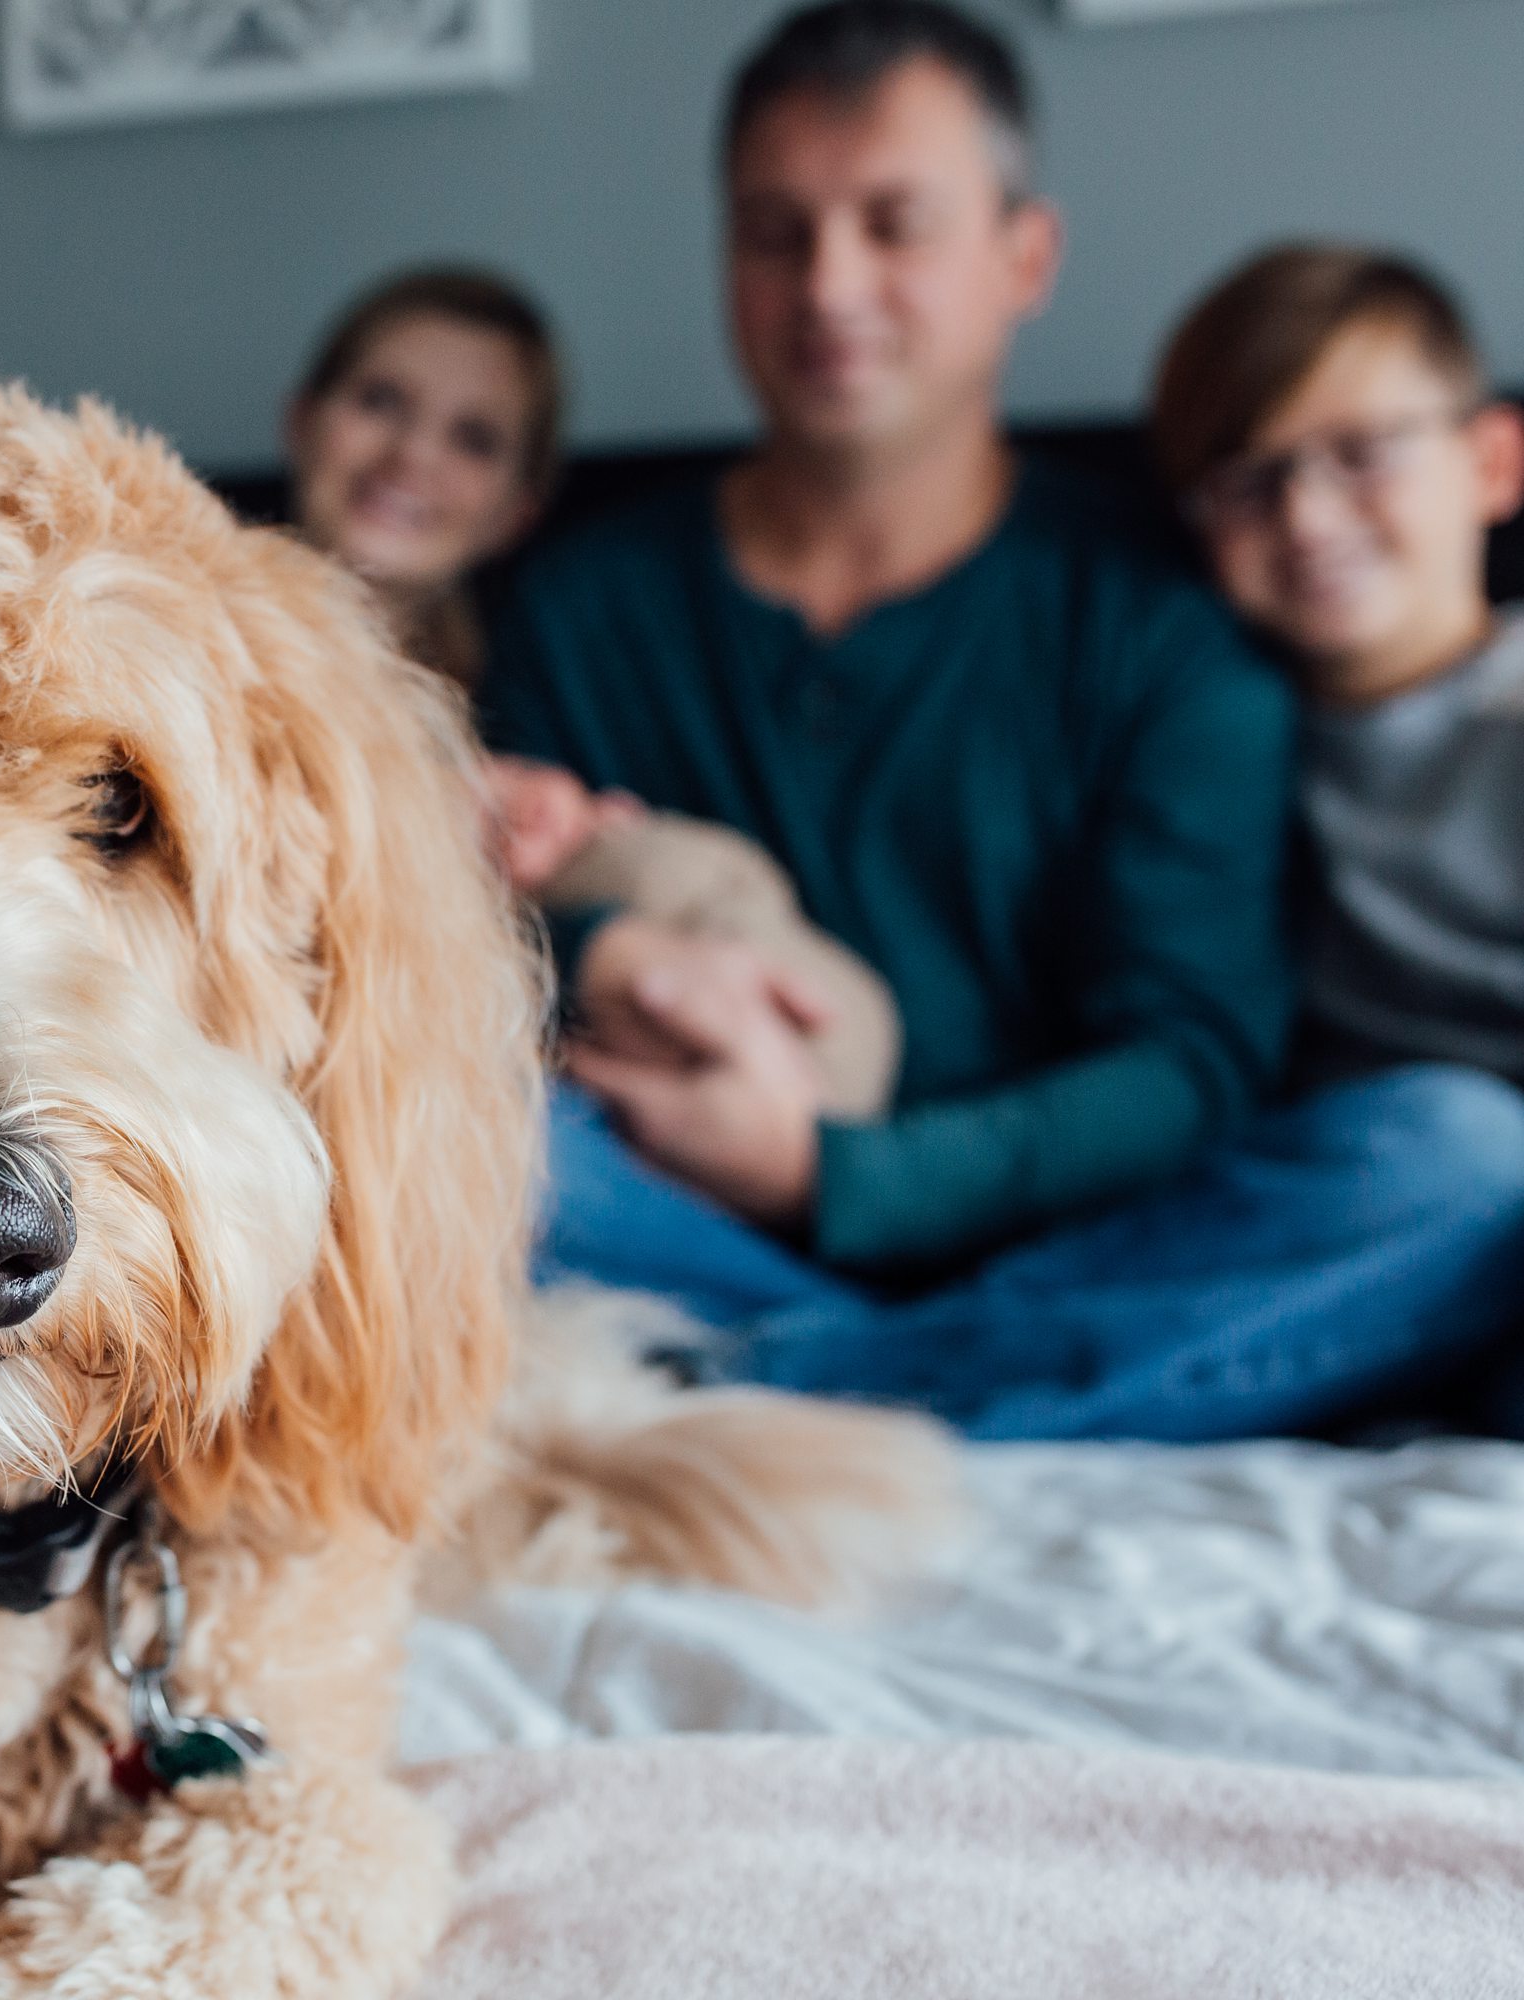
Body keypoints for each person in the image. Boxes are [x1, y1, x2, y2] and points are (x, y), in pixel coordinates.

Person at [483, 0, 1524, 1440]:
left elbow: (1192, 1063)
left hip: (1104, 1257)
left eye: (895, 223)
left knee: (1456, 1160)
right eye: (776, 232)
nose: (830, 286)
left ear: (1023, 257)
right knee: (439, 1127)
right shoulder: (582, 604)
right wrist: (621, 953)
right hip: (672, 1230)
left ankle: (798, 1397)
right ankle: (945, 1386)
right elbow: (481, 948)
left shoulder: (1165, 620)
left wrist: (828, 1174)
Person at [286, 268, 901, 1117]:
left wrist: (563, 822)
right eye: (381, 401)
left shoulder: (520, 678)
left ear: (517, 509)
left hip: (548, 987)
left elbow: (544, 861)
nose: (412, 457)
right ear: (302, 416)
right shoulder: (219, 627)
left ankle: (809, 1103)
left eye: (473, 438)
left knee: (707, 884)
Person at [1152, 246, 1524, 1091]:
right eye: (1249, 482)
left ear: (1493, 464)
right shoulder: (1202, 737)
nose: (1308, 521)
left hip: (1477, 1160)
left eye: (1363, 454)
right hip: (1322, 1170)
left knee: (1458, 1132)